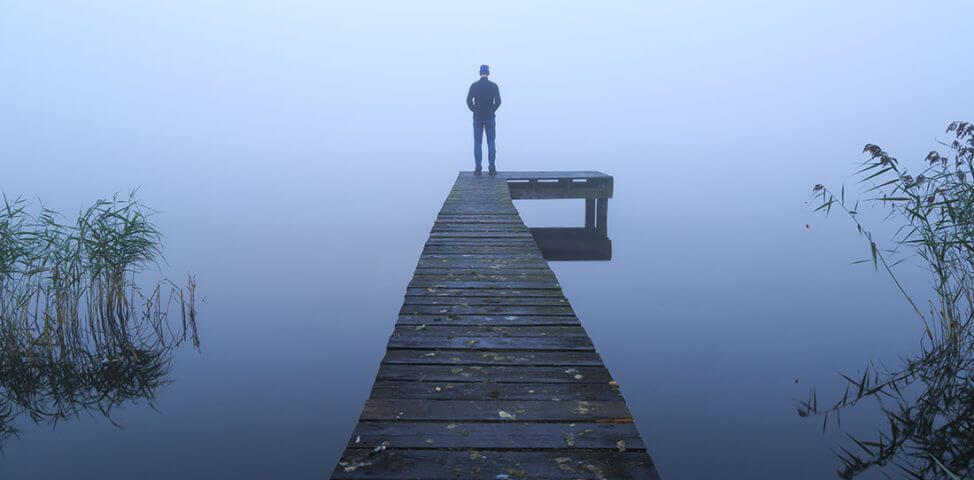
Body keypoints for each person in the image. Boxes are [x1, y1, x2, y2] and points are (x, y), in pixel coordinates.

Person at [466, 64, 501, 175]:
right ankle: (492, 168)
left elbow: (468, 101)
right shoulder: (493, 86)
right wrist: (492, 110)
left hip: (478, 118)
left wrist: (474, 110)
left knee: (477, 143)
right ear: (488, 73)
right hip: (490, 117)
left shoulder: (474, 86)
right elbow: (498, 101)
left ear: (479, 72)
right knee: (491, 143)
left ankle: (478, 169)